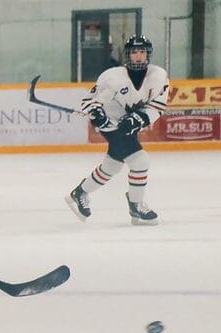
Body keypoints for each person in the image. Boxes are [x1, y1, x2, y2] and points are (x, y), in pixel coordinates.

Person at [65, 35, 168, 225]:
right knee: (140, 161)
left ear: (148, 54)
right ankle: (136, 205)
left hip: (128, 123)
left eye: (142, 52)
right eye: (134, 52)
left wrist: (138, 119)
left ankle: (80, 192)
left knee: (114, 164)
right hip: (110, 123)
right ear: (127, 55)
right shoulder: (112, 77)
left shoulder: (159, 76)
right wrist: (97, 113)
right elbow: (89, 102)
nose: (138, 56)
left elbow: (157, 107)